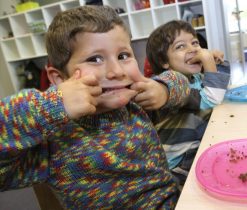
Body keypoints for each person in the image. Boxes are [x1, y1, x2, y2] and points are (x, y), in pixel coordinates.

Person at [0, 6, 191, 209]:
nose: (116, 71)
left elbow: (181, 82)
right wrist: (51, 105)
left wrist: (164, 89)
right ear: (58, 78)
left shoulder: (136, 104)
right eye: (95, 59)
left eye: (123, 56)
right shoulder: (53, 141)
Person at [146, 20, 230, 185]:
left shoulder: (196, 78)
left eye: (195, 43)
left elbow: (221, 86)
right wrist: (208, 63)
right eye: (180, 46)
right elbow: (213, 97)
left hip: (199, 145)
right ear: (164, 62)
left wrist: (216, 61)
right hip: (179, 164)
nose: (193, 49)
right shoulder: (171, 81)